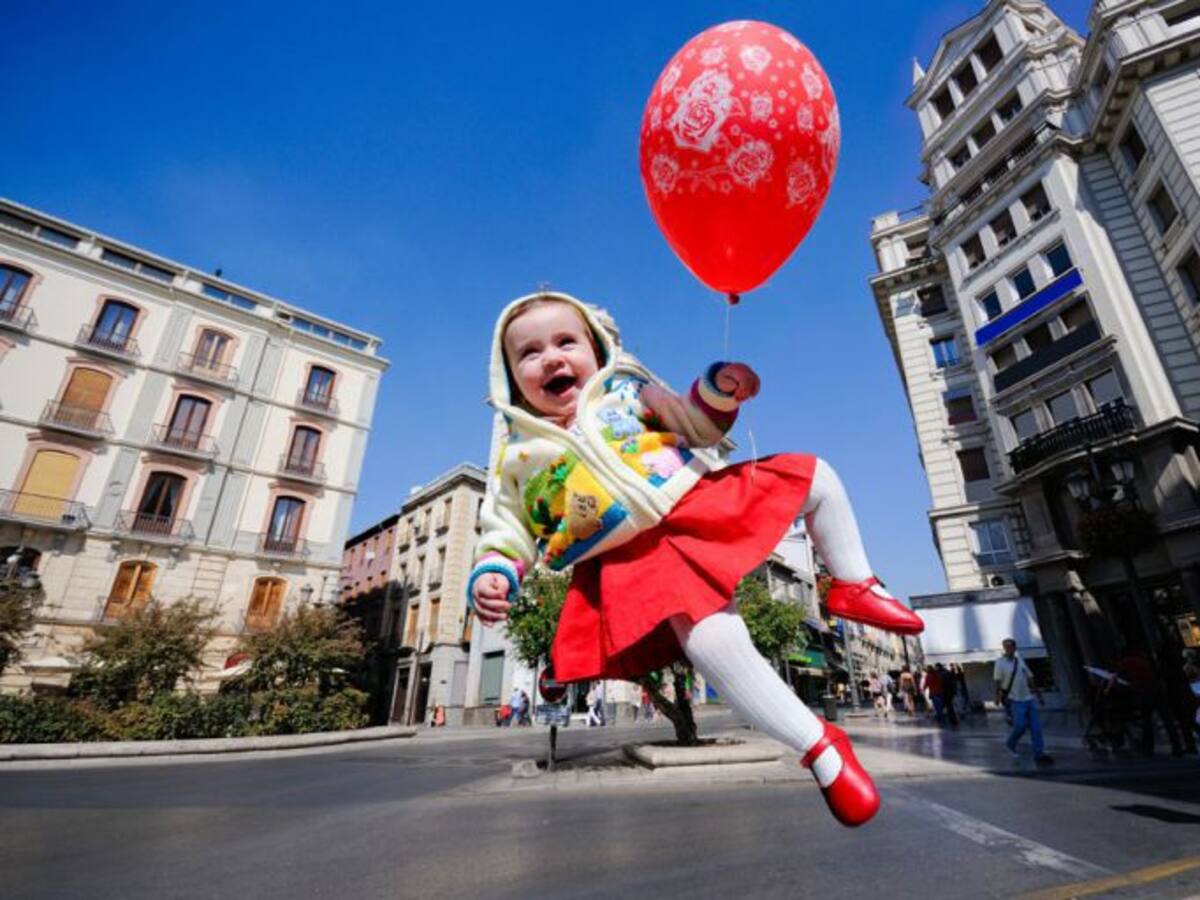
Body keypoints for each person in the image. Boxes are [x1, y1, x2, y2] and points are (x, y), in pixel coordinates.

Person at [467, 293, 925, 827]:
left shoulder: (627, 390)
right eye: (529, 353)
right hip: (631, 558)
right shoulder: (517, 458)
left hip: (692, 502)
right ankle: (822, 749)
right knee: (713, 642)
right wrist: (495, 571)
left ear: (596, 348)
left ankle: (854, 584)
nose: (550, 357)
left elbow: (696, 424)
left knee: (813, 476)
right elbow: (506, 528)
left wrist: (719, 391)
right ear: (509, 378)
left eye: (566, 341)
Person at [994, 638, 1053, 765]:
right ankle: (1011, 742)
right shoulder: (1000, 662)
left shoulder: (1019, 660)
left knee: (1036, 728)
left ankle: (1039, 754)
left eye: (1011, 646)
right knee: (1020, 726)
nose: (1008, 649)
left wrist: (1039, 695)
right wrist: (997, 697)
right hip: (1014, 699)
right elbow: (998, 681)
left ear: (1015, 648)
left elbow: (1030, 677)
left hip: (1028, 698)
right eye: (1006, 646)